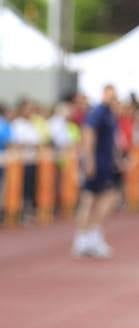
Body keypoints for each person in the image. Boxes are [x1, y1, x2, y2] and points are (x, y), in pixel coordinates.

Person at [72, 84, 122, 259]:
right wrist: (89, 160)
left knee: (102, 198)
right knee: (92, 198)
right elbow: (88, 133)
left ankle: (90, 236)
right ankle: (85, 237)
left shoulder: (110, 114)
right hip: (98, 163)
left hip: (106, 163)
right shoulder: (98, 112)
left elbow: (112, 141)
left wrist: (117, 159)